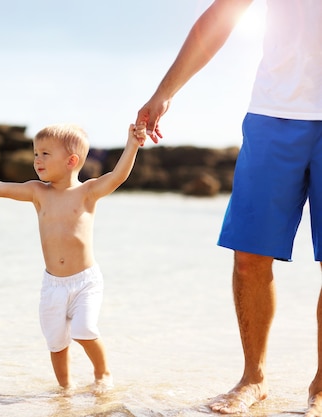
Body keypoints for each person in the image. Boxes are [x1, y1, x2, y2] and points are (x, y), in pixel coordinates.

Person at [135, 0, 322, 414]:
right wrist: (165, 92)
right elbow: (222, 15)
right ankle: (253, 379)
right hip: (273, 115)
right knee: (249, 257)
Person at [0, 122, 145, 391]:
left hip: (85, 282)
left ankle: (102, 373)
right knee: (56, 342)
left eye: (45, 154)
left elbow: (118, 175)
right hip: (53, 285)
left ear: (71, 161)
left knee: (84, 330)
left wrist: (133, 144)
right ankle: (65, 390)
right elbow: (0, 188)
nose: (37, 160)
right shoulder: (38, 192)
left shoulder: (87, 192)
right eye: (35, 153)